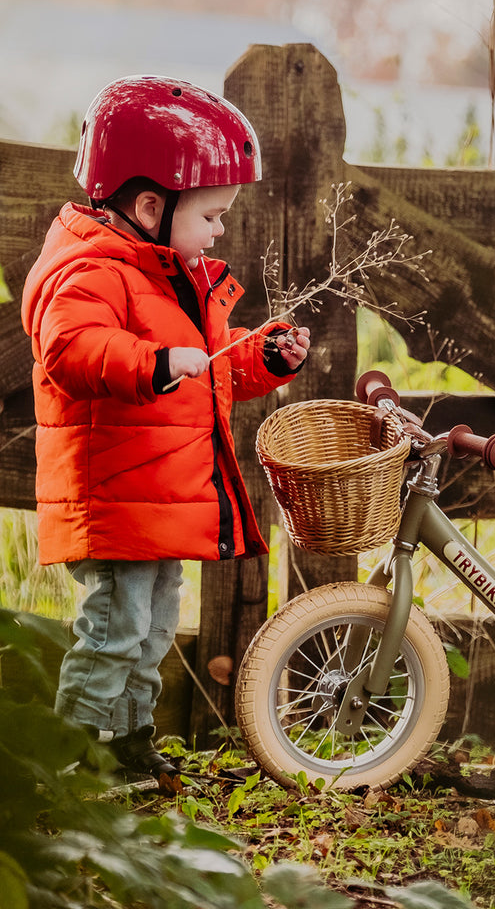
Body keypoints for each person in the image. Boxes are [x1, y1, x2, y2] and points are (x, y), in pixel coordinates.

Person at [20, 75, 311, 790]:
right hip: (118, 502)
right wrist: (150, 363)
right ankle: (75, 764)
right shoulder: (90, 271)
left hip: (159, 503)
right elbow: (72, 351)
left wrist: (260, 356)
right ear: (150, 205)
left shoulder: (170, 273)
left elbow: (204, 370)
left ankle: (127, 746)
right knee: (111, 634)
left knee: (148, 637)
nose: (219, 231)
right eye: (211, 215)